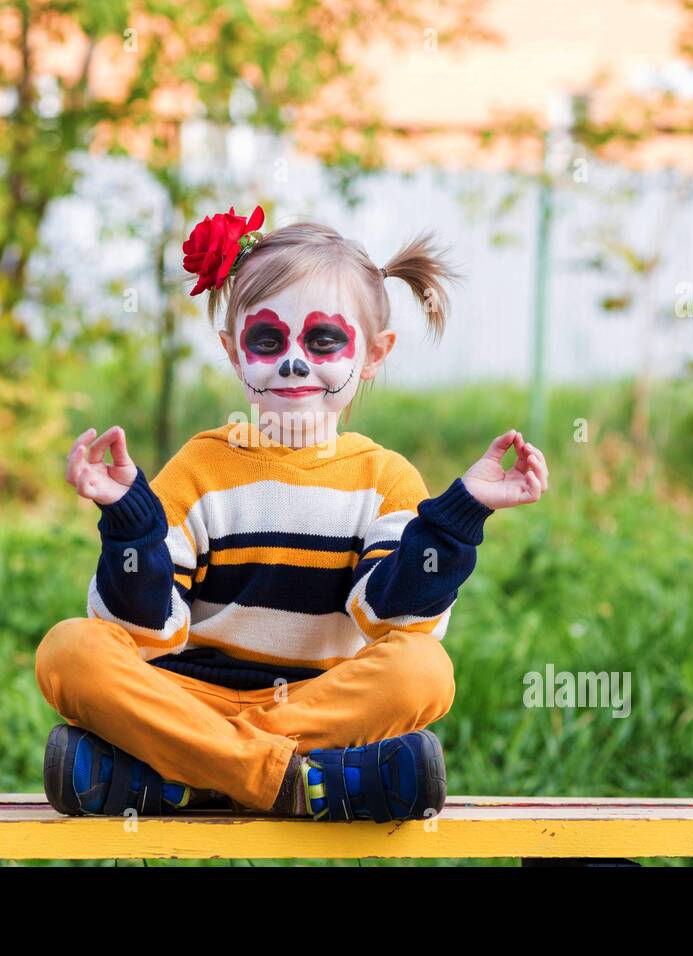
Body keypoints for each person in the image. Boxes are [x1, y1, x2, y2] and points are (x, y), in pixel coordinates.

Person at [35, 204, 549, 822]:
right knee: (70, 651)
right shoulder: (200, 468)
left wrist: (460, 514)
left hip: (313, 706)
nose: (294, 361)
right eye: (268, 339)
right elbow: (144, 627)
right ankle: (294, 780)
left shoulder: (384, 480)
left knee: (424, 668)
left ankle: (191, 776)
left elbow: (392, 615)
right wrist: (128, 519)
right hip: (192, 697)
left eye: (324, 339)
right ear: (233, 350)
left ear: (375, 352)